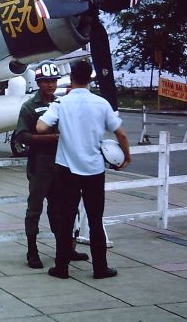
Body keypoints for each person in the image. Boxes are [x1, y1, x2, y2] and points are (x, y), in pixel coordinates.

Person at [36, 59, 131, 280]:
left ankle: (61, 267)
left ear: (71, 79)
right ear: (90, 79)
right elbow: (121, 134)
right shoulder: (101, 104)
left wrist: (61, 128)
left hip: (66, 169)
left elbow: (40, 127)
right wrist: (126, 156)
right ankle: (100, 268)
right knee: (96, 219)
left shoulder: (61, 103)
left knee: (66, 217)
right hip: (94, 170)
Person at [15, 61, 88, 269]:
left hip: (61, 164)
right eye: (46, 81)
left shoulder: (61, 103)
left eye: (53, 81)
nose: (50, 85)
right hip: (40, 164)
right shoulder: (29, 106)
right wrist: (52, 138)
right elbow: (21, 136)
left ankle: (65, 249)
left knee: (61, 209)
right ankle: (32, 251)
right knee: (35, 209)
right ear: (38, 82)